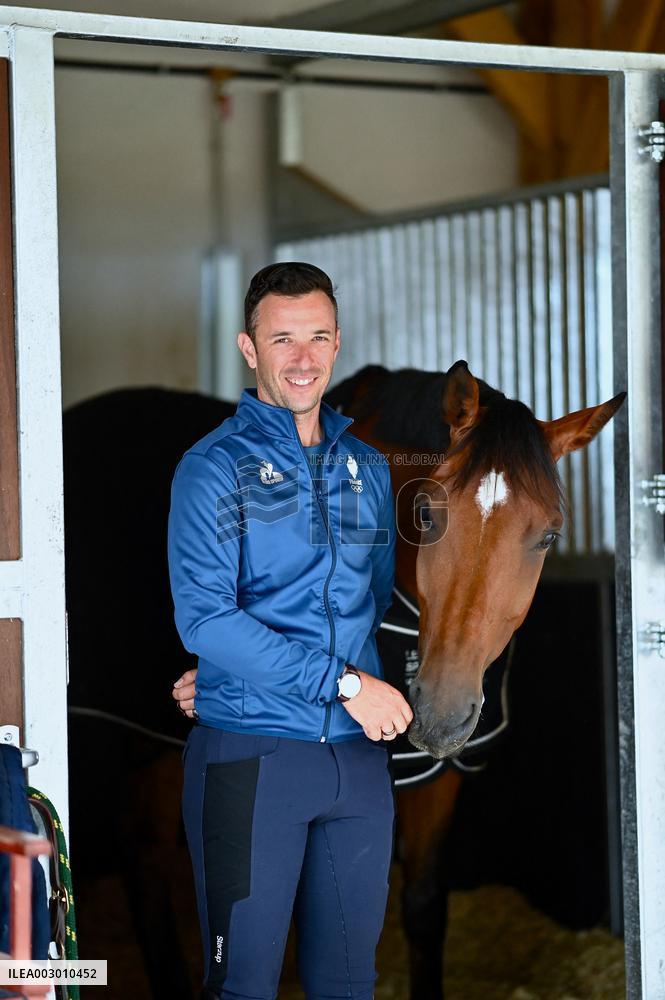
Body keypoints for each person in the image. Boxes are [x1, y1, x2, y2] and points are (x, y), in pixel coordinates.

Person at [167, 261, 413, 1000]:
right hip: (251, 760)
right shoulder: (212, 468)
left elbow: (373, 603)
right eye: (282, 340)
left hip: (357, 765)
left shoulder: (367, 469)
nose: (301, 359)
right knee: (242, 986)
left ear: (336, 344)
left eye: (316, 338)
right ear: (249, 348)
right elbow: (205, 617)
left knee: (348, 984)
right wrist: (339, 682)